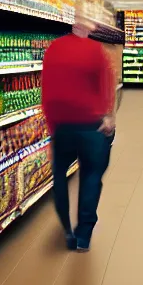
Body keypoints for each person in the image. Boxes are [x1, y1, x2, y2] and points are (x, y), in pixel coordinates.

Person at [42, 24, 116, 252]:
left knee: (60, 177)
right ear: (89, 29)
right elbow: (106, 86)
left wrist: (52, 124)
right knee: (92, 176)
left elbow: (47, 89)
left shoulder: (53, 48)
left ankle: (67, 230)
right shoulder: (96, 51)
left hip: (63, 126)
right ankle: (83, 234)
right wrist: (108, 117)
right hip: (91, 126)